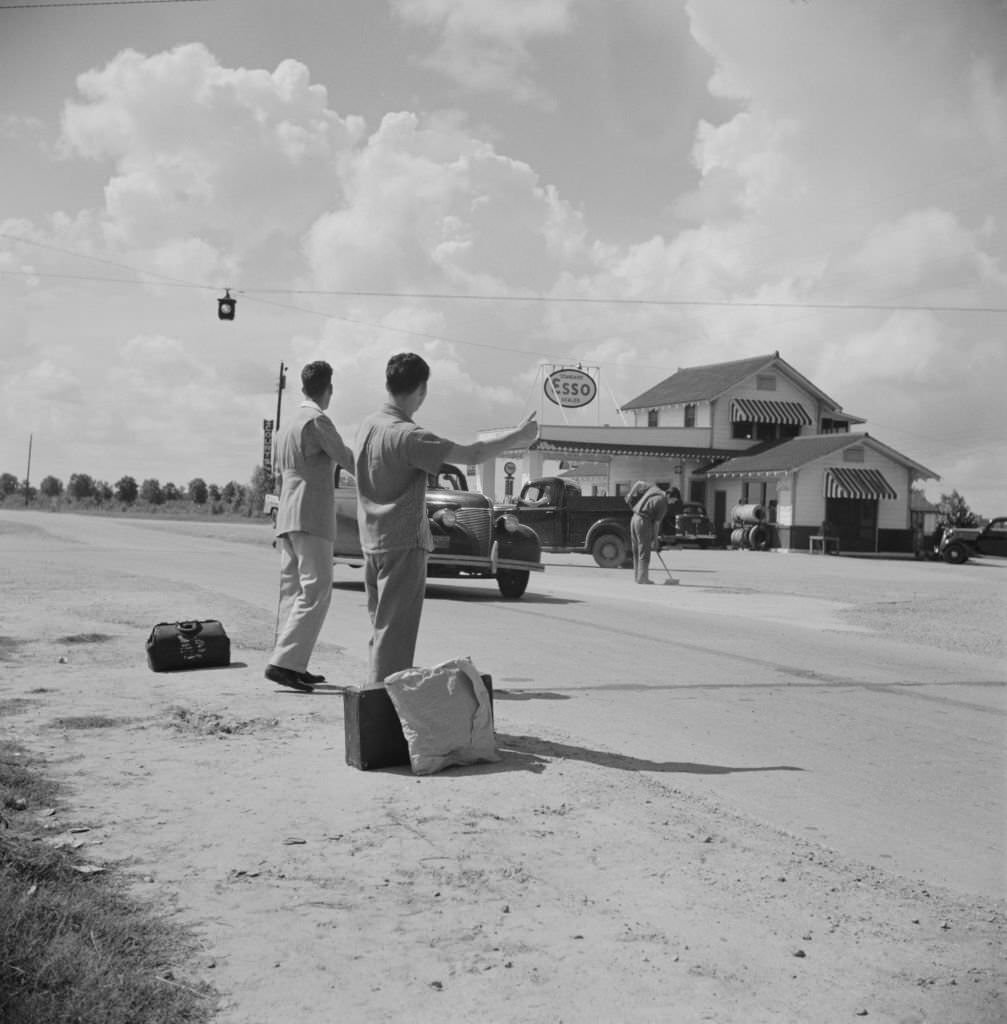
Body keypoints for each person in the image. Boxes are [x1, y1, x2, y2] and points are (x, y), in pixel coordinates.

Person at [355, 352, 538, 684]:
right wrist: (519, 437)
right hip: (402, 543)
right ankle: (384, 711)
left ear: (388, 382)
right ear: (422, 390)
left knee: (381, 630)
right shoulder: (409, 435)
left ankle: (374, 700)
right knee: (395, 637)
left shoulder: (368, 426)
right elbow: (474, 454)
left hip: (371, 541)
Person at [266, 360, 354, 693]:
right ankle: (284, 663)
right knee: (316, 590)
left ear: (303, 386)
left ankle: (291, 662)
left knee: (293, 591)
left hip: (286, 511)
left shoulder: (286, 425)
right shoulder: (317, 421)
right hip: (311, 511)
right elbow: (345, 457)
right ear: (328, 388)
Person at [626, 480, 669, 584]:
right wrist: (655, 540)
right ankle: (643, 578)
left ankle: (638, 577)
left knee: (637, 550)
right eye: (673, 500)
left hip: (634, 519)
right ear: (670, 495)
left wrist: (630, 495)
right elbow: (656, 524)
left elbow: (639, 483)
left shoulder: (654, 489)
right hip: (643, 521)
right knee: (644, 550)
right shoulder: (663, 501)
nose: (672, 502)